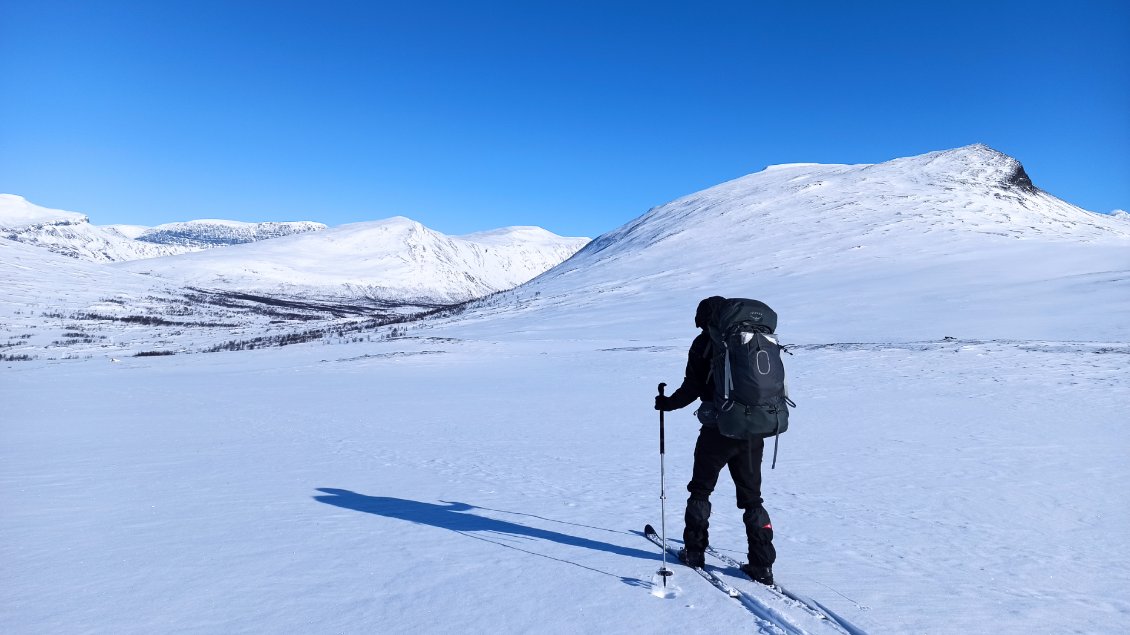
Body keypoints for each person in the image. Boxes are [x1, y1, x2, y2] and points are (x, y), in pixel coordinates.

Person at [654, 296, 776, 585]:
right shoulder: (753, 338)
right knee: (752, 499)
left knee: (700, 490)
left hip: (717, 430)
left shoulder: (705, 343)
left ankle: (695, 552)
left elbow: (692, 387)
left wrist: (666, 404)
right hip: (752, 431)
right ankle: (762, 565)